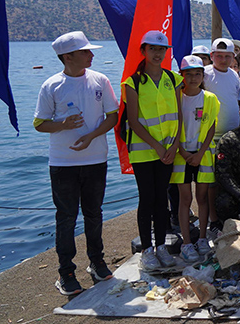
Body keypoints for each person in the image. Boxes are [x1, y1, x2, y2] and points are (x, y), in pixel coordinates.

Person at [35, 31, 118, 295]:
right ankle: (66, 272)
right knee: (66, 218)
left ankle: (96, 261)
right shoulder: (51, 86)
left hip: (96, 160)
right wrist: (63, 125)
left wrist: (91, 135)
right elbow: (39, 123)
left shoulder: (100, 80)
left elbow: (113, 116)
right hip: (63, 164)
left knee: (94, 214)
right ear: (68, 57)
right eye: (85, 52)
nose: (91, 55)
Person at [123, 31, 182, 270]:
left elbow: (178, 116)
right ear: (144, 51)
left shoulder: (174, 79)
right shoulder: (133, 82)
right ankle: (146, 250)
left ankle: (161, 248)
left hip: (168, 151)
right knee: (146, 199)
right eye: (153, 49)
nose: (158, 54)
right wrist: (157, 146)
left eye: (162, 49)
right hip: (144, 152)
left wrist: (175, 144)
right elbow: (134, 121)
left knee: (162, 201)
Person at [172, 56, 218, 262]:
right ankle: (186, 243)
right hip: (181, 156)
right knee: (185, 199)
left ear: (203, 75)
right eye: (188, 74)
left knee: (202, 198)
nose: (193, 78)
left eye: (197, 74)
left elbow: (211, 128)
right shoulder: (175, 97)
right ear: (181, 75)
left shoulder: (209, 98)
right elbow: (171, 126)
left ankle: (201, 238)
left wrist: (200, 153)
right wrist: (182, 151)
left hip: (203, 155)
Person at [204, 38, 240, 139]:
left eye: (227, 56)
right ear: (211, 56)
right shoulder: (204, 74)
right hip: (209, 136)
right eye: (219, 56)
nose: (223, 60)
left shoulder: (234, 75)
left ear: (233, 57)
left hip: (233, 134)